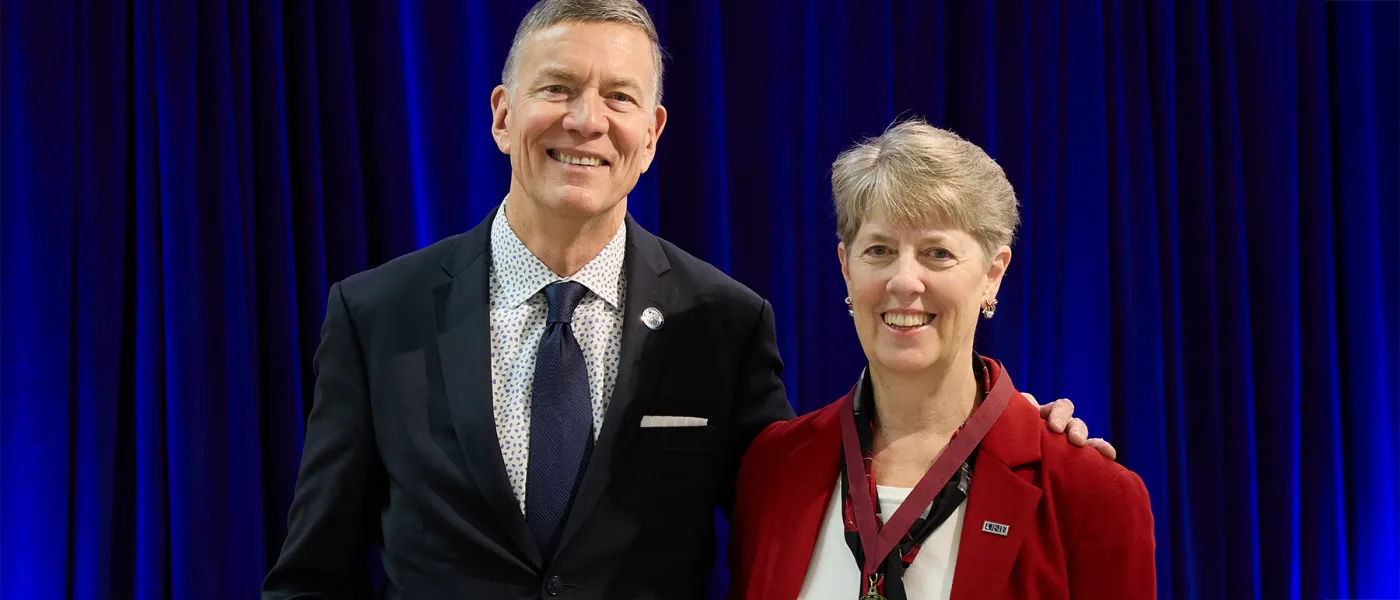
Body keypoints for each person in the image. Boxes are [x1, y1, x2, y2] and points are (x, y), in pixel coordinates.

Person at [261, 2, 1111, 598]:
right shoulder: (377, 315)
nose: (586, 121)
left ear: (654, 134)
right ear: (501, 114)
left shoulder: (725, 324)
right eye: (557, 88)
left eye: (619, 97)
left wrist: (1006, 437)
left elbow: (810, 495)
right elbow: (313, 575)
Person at [726, 119, 1155, 600]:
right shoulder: (773, 468)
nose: (904, 281)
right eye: (880, 250)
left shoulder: (1088, 494)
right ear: (846, 269)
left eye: (937, 253)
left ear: (993, 275)